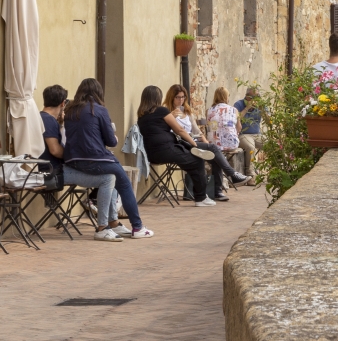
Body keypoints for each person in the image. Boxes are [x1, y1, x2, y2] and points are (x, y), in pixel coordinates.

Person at [62, 78, 153, 239]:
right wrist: (115, 138)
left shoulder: (69, 112)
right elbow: (111, 141)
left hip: (73, 161)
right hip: (96, 159)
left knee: (112, 177)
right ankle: (137, 227)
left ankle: (113, 223)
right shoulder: (99, 110)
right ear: (98, 92)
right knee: (124, 184)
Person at [41, 85, 120, 239]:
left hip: (51, 169)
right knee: (108, 178)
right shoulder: (48, 120)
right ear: (63, 103)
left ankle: (113, 223)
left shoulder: (43, 117)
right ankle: (103, 227)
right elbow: (55, 150)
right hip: (54, 172)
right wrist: (75, 153)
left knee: (110, 172)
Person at [166, 84, 249, 200]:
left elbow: (197, 131)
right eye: (178, 97)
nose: (181, 100)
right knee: (214, 149)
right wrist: (171, 116)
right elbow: (166, 131)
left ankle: (218, 192)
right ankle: (232, 175)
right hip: (180, 144)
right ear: (171, 97)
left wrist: (206, 144)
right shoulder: (166, 112)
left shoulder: (187, 112)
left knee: (214, 153)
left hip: (192, 142)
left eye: (183, 97)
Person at [138, 85, 216, 207]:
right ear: (157, 98)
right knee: (197, 161)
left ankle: (190, 151)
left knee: (189, 160)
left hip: (152, 154)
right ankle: (201, 198)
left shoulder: (141, 116)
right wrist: (194, 143)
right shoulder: (161, 111)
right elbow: (179, 129)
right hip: (167, 150)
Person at [208, 87, 251, 183]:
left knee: (217, 152)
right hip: (231, 143)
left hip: (213, 143)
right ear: (226, 97)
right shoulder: (234, 110)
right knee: (220, 152)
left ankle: (222, 181)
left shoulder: (209, 110)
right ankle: (228, 178)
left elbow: (211, 127)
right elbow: (239, 127)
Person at [233, 87, 262, 178]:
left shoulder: (261, 105)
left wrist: (263, 110)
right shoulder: (238, 104)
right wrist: (247, 108)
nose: (255, 99)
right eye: (253, 97)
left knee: (272, 145)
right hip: (243, 134)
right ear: (247, 96)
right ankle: (250, 174)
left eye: (257, 97)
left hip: (257, 135)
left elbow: (269, 121)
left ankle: (276, 172)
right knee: (250, 147)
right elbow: (235, 119)